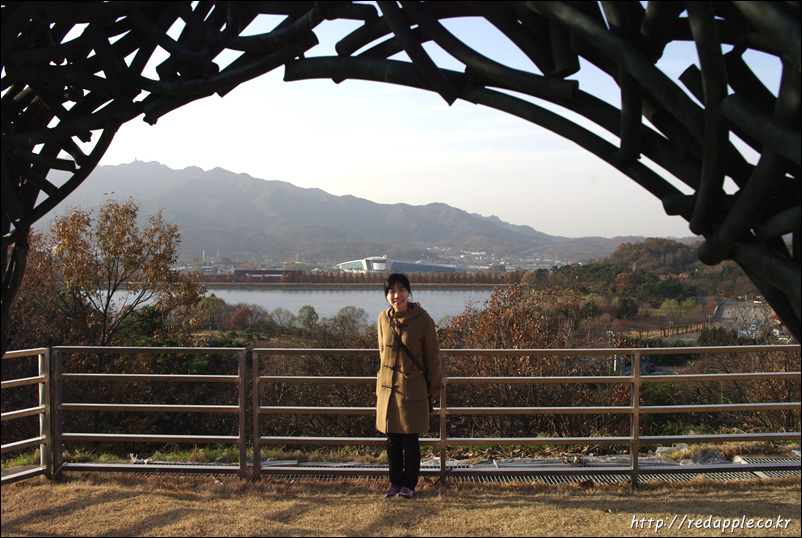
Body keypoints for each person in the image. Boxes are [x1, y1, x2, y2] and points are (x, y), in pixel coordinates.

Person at [376, 272, 444, 499]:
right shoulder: (383, 319)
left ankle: (409, 484)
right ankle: (395, 482)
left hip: (412, 389)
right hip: (388, 389)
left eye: (401, 290)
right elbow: (382, 353)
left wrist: (434, 387)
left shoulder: (423, 319)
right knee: (392, 440)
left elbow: (433, 356)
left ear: (408, 292)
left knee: (410, 440)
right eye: (392, 291)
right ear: (387, 295)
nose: (397, 296)